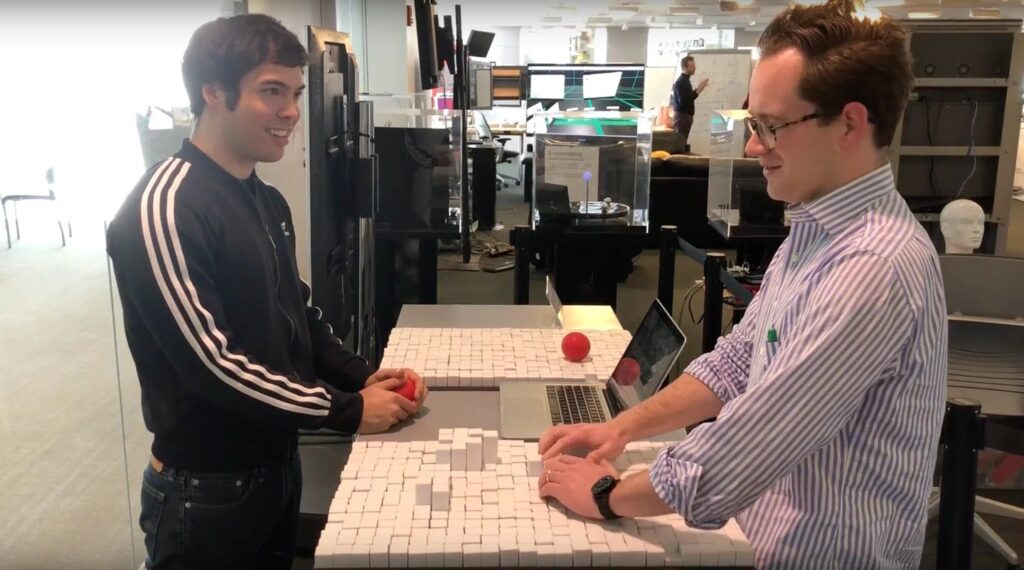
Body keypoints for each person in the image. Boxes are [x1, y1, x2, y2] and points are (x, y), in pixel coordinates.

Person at [537, 1, 947, 568]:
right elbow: (736, 363)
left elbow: (745, 451)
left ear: (850, 123)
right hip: (749, 532)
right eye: (754, 124)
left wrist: (605, 495)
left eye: (771, 126)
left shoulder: (872, 267)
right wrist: (620, 428)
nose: (754, 147)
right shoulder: (816, 230)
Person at [106, 14, 428, 569]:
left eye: (295, 93)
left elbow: (296, 311)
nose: (292, 113)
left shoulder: (263, 197)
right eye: (271, 92)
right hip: (204, 490)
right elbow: (213, 363)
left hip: (276, 465)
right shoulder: (164, 207)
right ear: (213, 93)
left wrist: (358, 374)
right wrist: (347, 410)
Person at [670, 55, 709, 144]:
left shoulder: (685, 80)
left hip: (684, 118)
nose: (694, 68)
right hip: (682, 118)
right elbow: (684, 102)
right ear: (684, 67)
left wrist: (699, 89)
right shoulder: (681, 82)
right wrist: (698, 89)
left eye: (694, 65)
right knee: (679, 144)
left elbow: (688, 98)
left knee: (681, 143)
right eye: (691, 66)